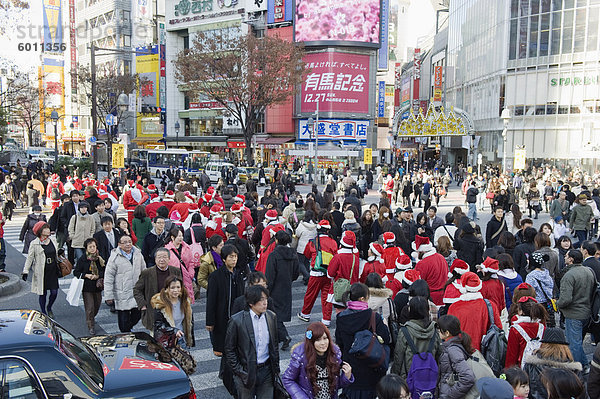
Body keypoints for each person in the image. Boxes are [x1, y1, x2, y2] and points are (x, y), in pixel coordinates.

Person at [335, 283, 390, 399]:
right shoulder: (373, 317)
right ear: (362, 299)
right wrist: (384, 325)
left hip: (351, 370)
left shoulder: (341, 318)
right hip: (372, 369)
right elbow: (386, 339)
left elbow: (339, 343)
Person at [224, 285, 280, 399]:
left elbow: (274, 344)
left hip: (267, 370)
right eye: (261, 300)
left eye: (266, 299)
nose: (265, 303)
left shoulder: (271, 316)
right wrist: (239, 371)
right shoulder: (237, 320)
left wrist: (276, 368)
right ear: (251, 303)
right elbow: (229, 349)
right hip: (245, 371)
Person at [282, 322, 354, 399]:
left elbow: (336, 385)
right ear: (311, 342)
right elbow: (288, 379)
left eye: (325, 338)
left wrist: (347, 376)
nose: (323, 343)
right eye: (318, 340)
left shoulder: (335, 355)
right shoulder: (300, 356)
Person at [556, 249, 595, 370]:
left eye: (566, 256)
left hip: (574, 314)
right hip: (587, 312)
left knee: (574, 344)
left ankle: (578, 368)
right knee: (577, 343)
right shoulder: (588, 272)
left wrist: (557, 304)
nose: (565, 258)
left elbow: (566, 299)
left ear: (571, 259)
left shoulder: (569, 276)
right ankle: (585, 365)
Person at [206, 244, 245, 357]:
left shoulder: (239, 274)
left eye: (235, 256)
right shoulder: (216, 276)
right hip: (221, 316)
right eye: (231, 257)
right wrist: (210, 321)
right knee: (223, 348)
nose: (234, 259)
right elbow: (211, 300)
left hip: (237, 315)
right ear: (224, 259)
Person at [522, 327, 583, 399]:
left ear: (543, 344)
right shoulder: (573, 369)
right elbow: (580, 393)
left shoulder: (531, 365)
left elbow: (523, 387)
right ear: (565, 347)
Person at [448, 272, 502, 351]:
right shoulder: (490, 305)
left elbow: (449, 334)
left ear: (463, 287)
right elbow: (498, 328)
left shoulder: (454, 307)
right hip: (484, 352)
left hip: (461, 352)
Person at [133, 248, 183, 331]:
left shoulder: (175, 271)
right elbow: (137, 290)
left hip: (172, 308)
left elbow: (181, 288)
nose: (161, 260)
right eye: (159, 257)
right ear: (155, 259)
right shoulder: (147, 273)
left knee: (174, 335)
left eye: (164, 257)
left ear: (169, 259)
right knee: (156, 338)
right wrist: (142, 305)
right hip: (154, 310)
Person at [299, 220, 338, 325]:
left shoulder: (312, 242)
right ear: (328, 230)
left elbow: (306, 255)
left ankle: (305, 314)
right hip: (328, 273)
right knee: (326, 296)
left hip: (316, 272)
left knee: (310, 294)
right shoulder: (333, 242)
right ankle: (326, 319)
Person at [265, 230, 299, 351]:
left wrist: (267, 288)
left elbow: (269, 275)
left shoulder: (273, 255)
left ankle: (284, 336)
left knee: (274, 313)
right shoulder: (293, 254)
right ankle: (280, 336)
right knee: (277, 313)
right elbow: (296, 273)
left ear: (276, 240)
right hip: (286, 287)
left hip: (275, 288)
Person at [104, 234, 146, 332]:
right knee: (123, 318)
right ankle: (125, 335)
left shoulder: (138, 254)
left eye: (129, 242)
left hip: (136, 291)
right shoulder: (114, 257)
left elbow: (144, 271)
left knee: (138, 313)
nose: (128, 244)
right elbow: (108, 277)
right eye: (125, 242)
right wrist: (108, 295)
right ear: (119, 244)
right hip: (122, 291)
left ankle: (128, 328)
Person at [391, 296, 441, 379]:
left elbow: (398, 356)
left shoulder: (405, 331)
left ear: (411, 310)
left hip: (409, 377)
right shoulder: (434, 330)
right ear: (428, 310)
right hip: (430, 378)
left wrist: (395, 375)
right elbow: (439, 355)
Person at [21, 222, 60, 317]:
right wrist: (25, 271)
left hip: (53, 269)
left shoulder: (53, 240)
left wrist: (60, 252)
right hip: (41, 271)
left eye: (48, 228)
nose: (48, 230)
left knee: (54, 292)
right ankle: (43, 312)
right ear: (40, 231)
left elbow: (56, 253)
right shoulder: (34, 243)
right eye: (45, 228)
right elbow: (30, 258)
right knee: (42, 293)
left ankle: (49, 307)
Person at [436, 314, 477, 399]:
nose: (438, 332)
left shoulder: (453, 350)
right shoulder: (456, 343)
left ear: (447, 333)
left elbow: (468, 378)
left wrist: (450, 395)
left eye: (440, 330)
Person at [151, 275, 195, 349]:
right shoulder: (160, 304)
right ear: (167, 288)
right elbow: (158, 325)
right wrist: (174, 331)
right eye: (172, 288)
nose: (176, 290)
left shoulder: (185, 301)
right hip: (166, 341)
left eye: (178, 287)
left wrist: (188, 339)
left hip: (181, 339)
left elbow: (189, 322)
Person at [73, 238, 105, 334]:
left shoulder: (100, 258)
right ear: (86, 248)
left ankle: (90, 317)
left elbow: (104, 270)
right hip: (87, 286)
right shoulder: (83, 259)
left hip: (97, 286)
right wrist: (86, 275)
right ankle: (90, 325)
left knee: (97, 305)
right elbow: (76, 272)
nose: (92, 249)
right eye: (90, 247)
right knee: (90, 307)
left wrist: (98, 275)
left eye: (94, 246)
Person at [505, 296, 547, 367]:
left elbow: (512, 354)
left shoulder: (515, 329)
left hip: (522, 369)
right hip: (540, 368)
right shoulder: (542, 327)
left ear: (521, 311)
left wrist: (508, 371)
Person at [164, 227, 196, 304]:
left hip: (186, 277)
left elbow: (191, 262)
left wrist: (191, 273)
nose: (181, 238)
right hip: (173, 278)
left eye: (181, 236)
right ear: (172, 237)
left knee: (186, 302)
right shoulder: (167, 250)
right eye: (178, 236)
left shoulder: (187, 248)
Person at [413, 235, 447, 305]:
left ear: (422, 251)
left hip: (430, 298)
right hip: (444, 295)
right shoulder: (441, 257)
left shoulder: (422, 264)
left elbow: (418, 283)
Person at [525, 252, 555, 327]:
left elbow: (529, 291)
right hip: (548, 303)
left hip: (537, 304)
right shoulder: (547, 273)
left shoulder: (531, 276)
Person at [295, 210, 317, 285]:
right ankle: (307, 277)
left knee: (300, 262)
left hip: (302, 246)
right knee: (307, 261)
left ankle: (307, 276)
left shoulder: (302, 225)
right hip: (311, 246)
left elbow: (297, 234)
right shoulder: (315, 225)